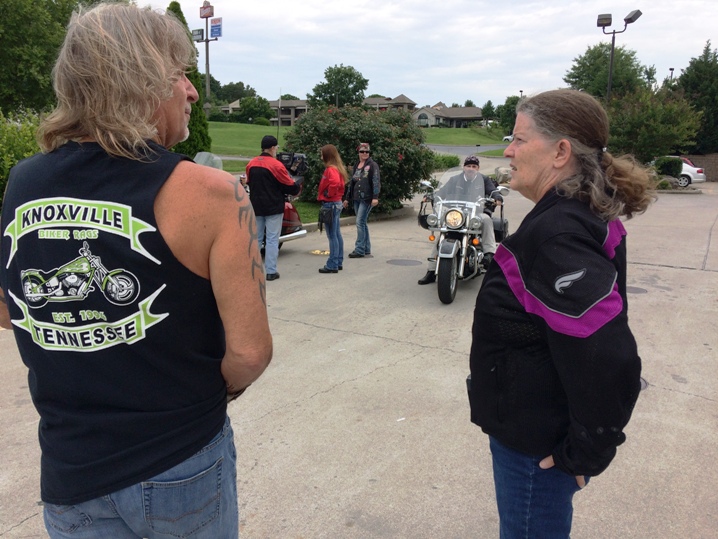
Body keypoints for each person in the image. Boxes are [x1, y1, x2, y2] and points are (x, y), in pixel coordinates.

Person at [0, 4, 273, 538]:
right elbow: (250, 353)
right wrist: (205, 395)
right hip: (181, 456)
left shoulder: (23, 181)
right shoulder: (211, 192)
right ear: (141, 80)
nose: (192, 92)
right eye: (179, 74)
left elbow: (9, 309)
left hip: (71, 467)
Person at [468, 89, 654, 538]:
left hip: (536, 449)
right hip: (532, 430)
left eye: (518, 139)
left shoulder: (558, 235)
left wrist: (588, 450)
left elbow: (610, 356)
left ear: (560, 152)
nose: (508, 151)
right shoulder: (574, 213)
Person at [417, 155, 502, 285]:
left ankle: (489, 253)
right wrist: (432, 196)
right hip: (456, 213)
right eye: (468, 166)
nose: (471, 168)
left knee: (486, 220)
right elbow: (442, 192)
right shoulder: (455, 179)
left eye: (474, 166)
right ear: (464, 167)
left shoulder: (484, 180)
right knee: (443, 233)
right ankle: (431, 271)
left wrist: (497, 197)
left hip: (476, 212)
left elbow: (492, 191)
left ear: (478, 168)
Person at [245, 135, 302, 281]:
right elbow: (289, 185)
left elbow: (249, 182)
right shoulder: (276, 165)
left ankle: (252, 271)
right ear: (272, 148)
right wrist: (297, 185)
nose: (276, 149)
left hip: (256, 206)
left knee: (256, 239)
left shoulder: (251, 163)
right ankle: (271, 271)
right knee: (271, 239)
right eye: (276, 147)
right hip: (273, 207)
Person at [344, 142, 380, 258]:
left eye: (367, 151)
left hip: (367, 198)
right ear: (358, 152)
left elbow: (376, 181)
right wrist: (347, 198)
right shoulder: (356, 165)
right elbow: (352, 183)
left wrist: (375, 197)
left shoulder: (372, 165)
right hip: (356, 198)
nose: (365, 153)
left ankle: (359, 249)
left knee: (359, 222)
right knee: (363, 223)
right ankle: (366, 248)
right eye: (362, 151)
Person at [317, 144, 348, 273]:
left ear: (327, 155)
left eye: (322, 154)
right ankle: (338, 261)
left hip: (331, 204)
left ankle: (332, 264)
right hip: (336, 203)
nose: (321, 156)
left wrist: (328, 194)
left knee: (332, 235)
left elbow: (334, 183)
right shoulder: (338, 168)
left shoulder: (331, 169)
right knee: (336, 234)